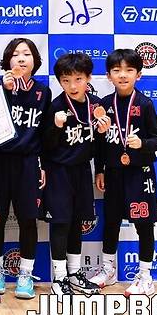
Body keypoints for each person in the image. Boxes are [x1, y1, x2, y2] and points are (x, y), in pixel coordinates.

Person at [88, 49, 157, 296]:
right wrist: (100, 170)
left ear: (138, 75)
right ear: (108, 75)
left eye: (129, 70)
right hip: (113, 173)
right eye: (116, 70)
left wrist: (142, 144)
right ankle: (108, 270)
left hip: (140, 173)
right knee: (111, 221)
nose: (123, 75)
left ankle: (145, 276)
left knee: (144, 224)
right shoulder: (103, 105)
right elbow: (99, 144)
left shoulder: (145, 104)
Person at [42, 53, 109, 300]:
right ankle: (59, 278)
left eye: (78, 79)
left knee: (77, 223)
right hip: (58, 171)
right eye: (66, 80)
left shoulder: (96, 105)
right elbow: (45, 145)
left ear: (88, 78)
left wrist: (100, 168)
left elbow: (100, 145)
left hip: (82, 170)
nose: (72, 85)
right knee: (60, 223)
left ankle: (74, 274)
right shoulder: (56, 106)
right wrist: (56, 127)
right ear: (59, 81)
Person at [0, 38, 51, 299]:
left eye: (27, 54)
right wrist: (4, 90)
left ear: (35, 61)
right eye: (16, 54)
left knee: (28, 220)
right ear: (7, 61)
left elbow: (46, 134)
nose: (21, 58)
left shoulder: (43, 92)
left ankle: (25, 274)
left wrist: (43, 164)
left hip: (28, 162)